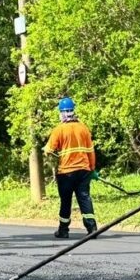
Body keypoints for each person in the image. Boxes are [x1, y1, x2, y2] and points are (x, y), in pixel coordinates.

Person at [43, 97, 98, 238]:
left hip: (66, 172)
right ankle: (92, 228)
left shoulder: (59, 130)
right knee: (84, 198)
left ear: (61, 112)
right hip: (84, 171)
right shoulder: (83, 128)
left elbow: (49, 150)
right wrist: (92, 169)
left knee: (66, 201)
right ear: (73, 111)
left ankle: (63, 230)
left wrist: (48, 151)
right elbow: (91, 151)